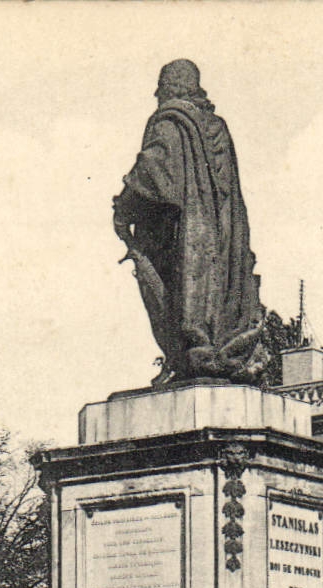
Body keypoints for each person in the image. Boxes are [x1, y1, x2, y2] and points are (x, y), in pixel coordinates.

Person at [113, 58, 265, 387]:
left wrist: (124, 208)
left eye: (161, 87)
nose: (156, 95)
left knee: (176, 295)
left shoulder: (170, 123)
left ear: (169, 87)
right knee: (216, 289)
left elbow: (152, 169)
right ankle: (211, 348)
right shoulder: (217, 128)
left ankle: (187, 353)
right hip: (222, 238)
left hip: (184, 237)